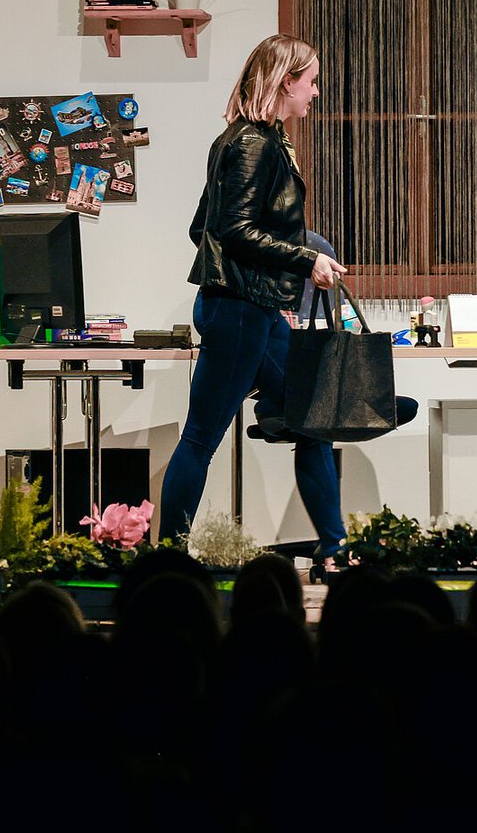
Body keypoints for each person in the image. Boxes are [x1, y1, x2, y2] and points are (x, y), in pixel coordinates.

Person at [158, 34, 349, 563]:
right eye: (311, 82)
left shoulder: (255, 140)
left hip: (254, 308)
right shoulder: (252, 144)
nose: (315, 92)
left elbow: (203, 228)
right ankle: (168, 560)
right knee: (201, 437)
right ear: (286, 82)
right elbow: (232, 230)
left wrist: (266, 275)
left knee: (313, 416)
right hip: (238, 312)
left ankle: (334, 550)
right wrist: (306, 260)